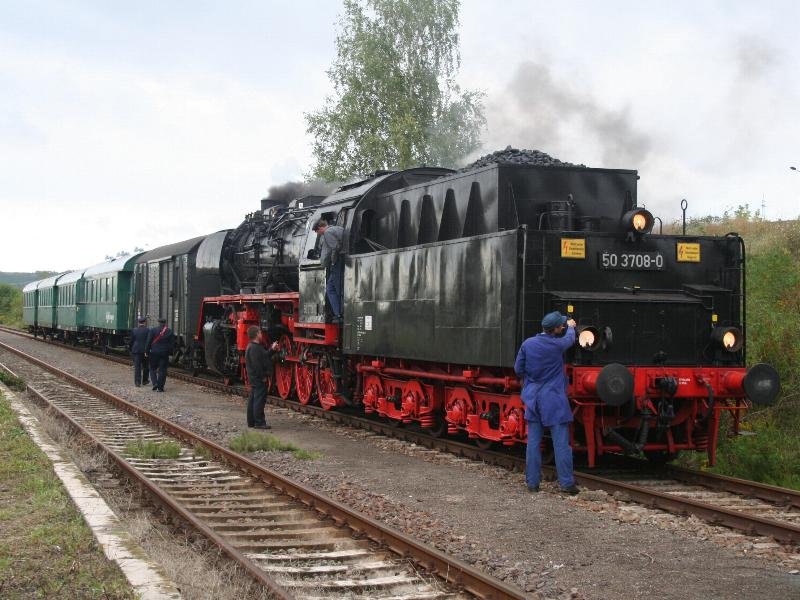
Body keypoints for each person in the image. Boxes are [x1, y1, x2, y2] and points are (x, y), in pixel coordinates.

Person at [514, 310, 580, 495]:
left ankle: (533, 483)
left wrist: (530, 381)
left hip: (533, 398)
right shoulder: (557, 345)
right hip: (553, 400)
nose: (562, 327)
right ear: (556, 329)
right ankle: (567, 484)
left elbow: (518, 369)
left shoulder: (528, 344)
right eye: (561, 325)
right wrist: (572, 327)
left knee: (533, 443)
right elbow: (569, 339)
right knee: (561, 444)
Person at [244, 325, 279, 429]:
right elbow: (257, 365)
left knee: (253, 399)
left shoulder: (254, 347)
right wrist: (263, 376)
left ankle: (251, 422)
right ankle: (259, 422)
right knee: (259, 400)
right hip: (258, 378)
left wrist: (272, 349)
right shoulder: (254, 348)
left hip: (255, 378)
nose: (261, 334)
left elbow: (264, 356)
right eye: (259, 332)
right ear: (256, 335)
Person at [313, 219, 345, 323]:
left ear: (320, 228)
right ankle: (338, 313)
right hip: (341, 261)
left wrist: (333, 261)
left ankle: (339, 314)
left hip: (337, 263)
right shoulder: (338, 228)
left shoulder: (327, 232)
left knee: (335, 288)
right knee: (332, 287)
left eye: (317, 232)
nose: (318, 234)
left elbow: (335, 247)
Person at [146, 317, 175, 392]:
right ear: (165, 323)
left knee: (152, 369)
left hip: (154, 352)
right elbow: (172, 344)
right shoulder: (169, 331)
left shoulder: (153, 330)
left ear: (158, 322)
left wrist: (146, 351)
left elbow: (149, 341)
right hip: (164, 353)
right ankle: (160, 387)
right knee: (162, 370)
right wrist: (170, 352)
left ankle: (155, 383)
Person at [128, 317, 150, 387]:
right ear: (145, 322)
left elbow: (131, 341)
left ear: (139, 323)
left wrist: (131, 348)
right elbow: (149, 341)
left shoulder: (134, 330)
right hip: (145, 351)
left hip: (136, 350)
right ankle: (145, 380)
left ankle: (137, 382)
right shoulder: (148, 330)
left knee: (137, 367)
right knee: (146, 366)